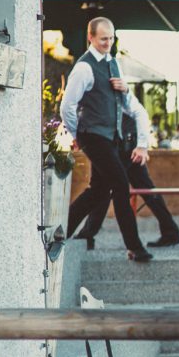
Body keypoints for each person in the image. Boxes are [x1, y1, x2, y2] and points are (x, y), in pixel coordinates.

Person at [62, 17, 152, 262]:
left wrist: (125, 89)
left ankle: (60, 234)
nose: (108, 43)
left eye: (111, 38)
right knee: (121, 186)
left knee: (98, 191)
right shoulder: (84, 68)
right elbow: (67, 107)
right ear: (90, 37)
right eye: (103, 39)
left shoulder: (113, 64)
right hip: (93, 136)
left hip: (110, 137)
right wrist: (78, 135)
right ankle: (135, 247)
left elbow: (126, 106)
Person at [72, 110, 179, 249]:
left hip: (117, 140)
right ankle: (171, 230)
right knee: (145, 188)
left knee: (103, 186)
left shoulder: (101, 91)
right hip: (128, 139)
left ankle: (88, 233)